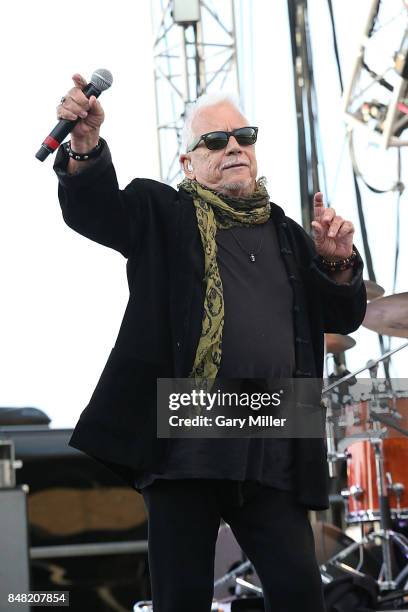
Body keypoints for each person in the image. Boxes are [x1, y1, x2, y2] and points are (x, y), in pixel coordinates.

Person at [53, 73, 367, 612]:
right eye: (215, 141)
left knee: (300, 595)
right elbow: (95, 210)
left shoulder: (290, 234)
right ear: (188, 164)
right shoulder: (164, 213)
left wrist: (337, 262)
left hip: (273, 434)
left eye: (243, 136)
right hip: (186, 440)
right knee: (181, 600)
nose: (234, 148)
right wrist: (85, 146)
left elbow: (344, 314)